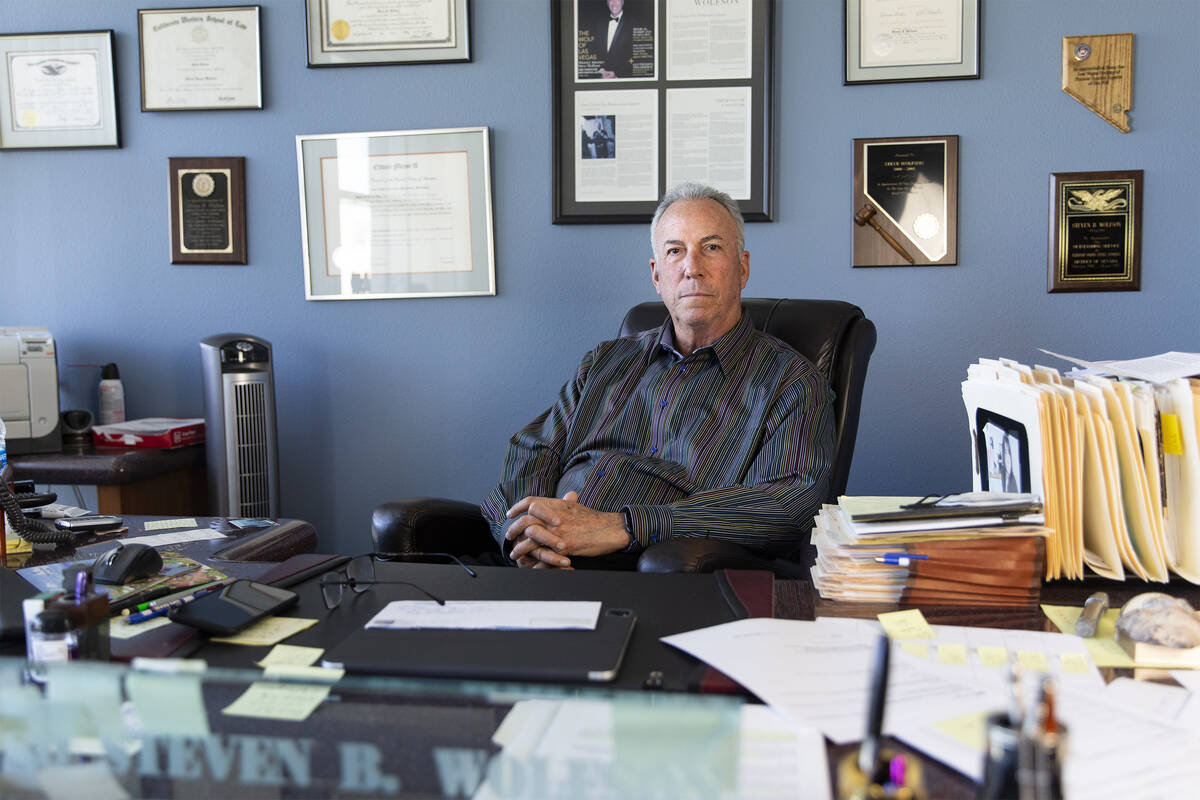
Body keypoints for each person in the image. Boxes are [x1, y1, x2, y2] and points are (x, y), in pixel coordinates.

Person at [481, 182, 835, 569]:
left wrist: (624, 527)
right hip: (538, 566)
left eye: (711, 247)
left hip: (659, 574)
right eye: (674, 251)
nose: (691, 267)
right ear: (656, 275)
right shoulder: (605, 362)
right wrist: (527, 532)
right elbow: (533, 451)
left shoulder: (791, 382)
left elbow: (786, 504)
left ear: (743, 267)